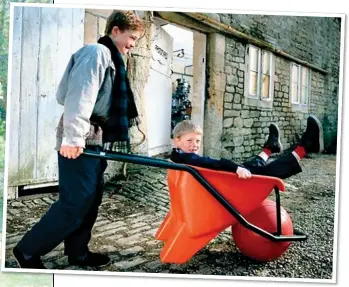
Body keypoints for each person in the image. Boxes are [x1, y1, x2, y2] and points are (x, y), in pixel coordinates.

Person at [13, 10, 144, 269]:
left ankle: (78, 253)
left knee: (90, 199)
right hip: (82, 136)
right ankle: (27, 250)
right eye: (132, 38)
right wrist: (73, 137)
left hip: (97, 137)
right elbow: (78, 96)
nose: (133, 45)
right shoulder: (96, 53)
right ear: (115, 30)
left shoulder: (114, 59)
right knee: (76, 201)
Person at [170, 115, 323, 179]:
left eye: (197, 141)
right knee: (266, 172)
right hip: (226, 187)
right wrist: (235, 168)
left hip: (221, 182)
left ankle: (270, 148)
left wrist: (237, 167)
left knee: (249, 165)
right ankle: (305, 147)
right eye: (189, 141)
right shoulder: (187, 158)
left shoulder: (176, 156)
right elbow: (213, 163)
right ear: (176, 141)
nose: (194, 145)